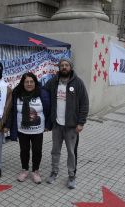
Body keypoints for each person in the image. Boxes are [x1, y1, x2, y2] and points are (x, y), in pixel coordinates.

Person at [44, 58, 89, 189]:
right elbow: (42, 91)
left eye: (66, 65)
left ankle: (71, 176)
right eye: (62, 65)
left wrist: (81, 123)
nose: (64, 67)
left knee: (71, 152)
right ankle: (54, 172)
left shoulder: (78, 83)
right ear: (59, 67)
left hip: (72, 126)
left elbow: (85, 104)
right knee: (55, 150)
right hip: (57, 125)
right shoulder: (53, 82)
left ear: (71, 67)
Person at [5, 72, 50, 184]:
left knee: (37, 150)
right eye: (26, 82)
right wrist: (9, 126)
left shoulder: (42, 93)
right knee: (24, 151)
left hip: (38, 130)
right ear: (22, 83)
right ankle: (24, 170)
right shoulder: (17, 94)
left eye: (31, 81)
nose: (29, 84)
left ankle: (35, 171)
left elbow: (49, 109)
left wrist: (48, 125)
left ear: (35, 82)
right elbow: (12, 111)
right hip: (22, 130)